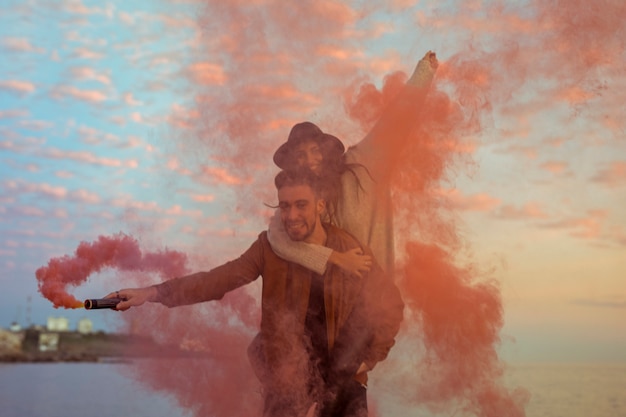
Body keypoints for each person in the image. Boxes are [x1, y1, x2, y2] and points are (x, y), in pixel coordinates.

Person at [107, 169, 404, 417]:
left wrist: (369, 359)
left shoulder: (347, 249)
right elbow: (216, 280)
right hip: (286, 391)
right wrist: (152, 292)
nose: (291, 215)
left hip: (343, 393)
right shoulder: (269, 248)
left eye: (301, 204)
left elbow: (389, 305)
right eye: (284, 206)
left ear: (321, 206)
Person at [268, 51, 439, 278]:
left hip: (377, 300)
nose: (309, 161)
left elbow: (392, 124)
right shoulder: (297, 202)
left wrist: (423, 73)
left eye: (315, 151)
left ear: (326, 151)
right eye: (300, 156)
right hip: (330, 307)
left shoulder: (361, 165)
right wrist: (337, 259)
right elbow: (277, 237)